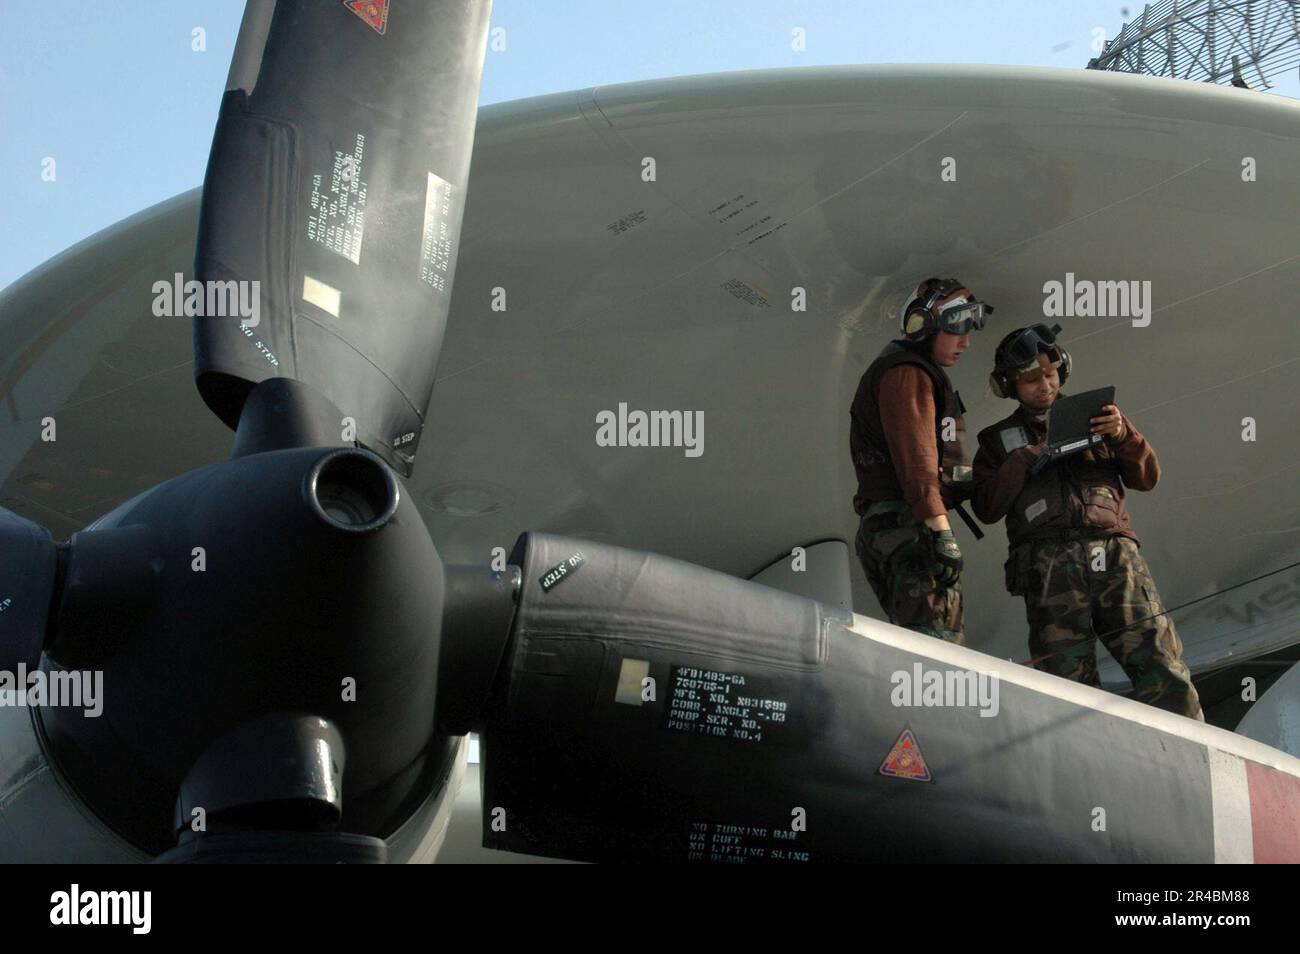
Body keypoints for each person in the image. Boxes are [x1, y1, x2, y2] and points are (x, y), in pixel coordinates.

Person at [970, 324, 1204, 720]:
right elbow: (987, 507)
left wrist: (1123, 434)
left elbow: (1147, 478)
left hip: (1115, 556)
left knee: (1161, 663)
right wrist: (1026, 459)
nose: (1044, 385)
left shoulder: (1098, 418)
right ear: (1009, 385)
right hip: (1049, 567)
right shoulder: (996, 440)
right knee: (1067, 684)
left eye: (1051, 374)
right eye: (1031, 380)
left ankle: (1194, 755)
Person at [849, 277, 992, 643]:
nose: (966, 341)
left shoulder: (903, 370)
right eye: (957, 328)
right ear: (924, 327)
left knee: (920, 647)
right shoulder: (908, 373)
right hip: (910, 526)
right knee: (939, 655)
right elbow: (918, 459)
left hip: (894, 526)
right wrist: (939, 529)